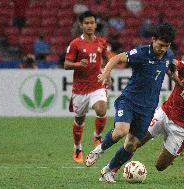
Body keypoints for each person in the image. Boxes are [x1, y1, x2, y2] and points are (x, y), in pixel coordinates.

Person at [85, 23, 177, 183]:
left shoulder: (168, 55)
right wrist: (106, 73)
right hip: (129, 101)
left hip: (148, 108)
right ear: (153, 40)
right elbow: (117, 58)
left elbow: (170, 69)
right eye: (160, 45)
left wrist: (180, 82)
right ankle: (98, 150)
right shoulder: (141, 52)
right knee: (121, 130)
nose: (163, 49)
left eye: (166, 46)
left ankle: (108, 170)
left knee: (132, 145)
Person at [64, 11, 109, 164]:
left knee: (101, 109)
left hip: (97, 85)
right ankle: (77, 147)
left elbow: (106, 59)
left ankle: (97, 135)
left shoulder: (101, 42)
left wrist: (107, 74)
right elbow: (66, 64)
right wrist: (78, 64)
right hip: (80, 89)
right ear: (81, 25)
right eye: (86, 23)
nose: (90, 25)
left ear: (96, 25)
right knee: (79, 120)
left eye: (92, 23)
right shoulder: (75, 43)